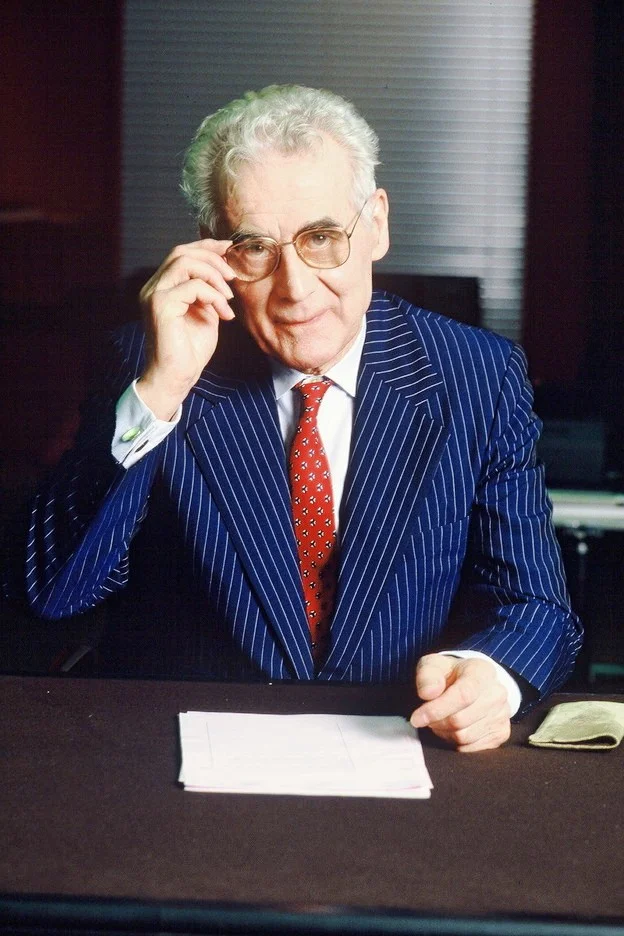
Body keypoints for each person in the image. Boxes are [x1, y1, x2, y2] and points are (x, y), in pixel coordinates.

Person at [24, 84, 582, 751]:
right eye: (256, 247)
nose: (294, 288)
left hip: (399, 752)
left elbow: (536, 606)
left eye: (321, 237)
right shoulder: (149, 363)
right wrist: (162, 389)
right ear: (215, 253)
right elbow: (55, 593)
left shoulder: (477, 375)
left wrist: (491, 676)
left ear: (376, 225)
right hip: (188, 758)